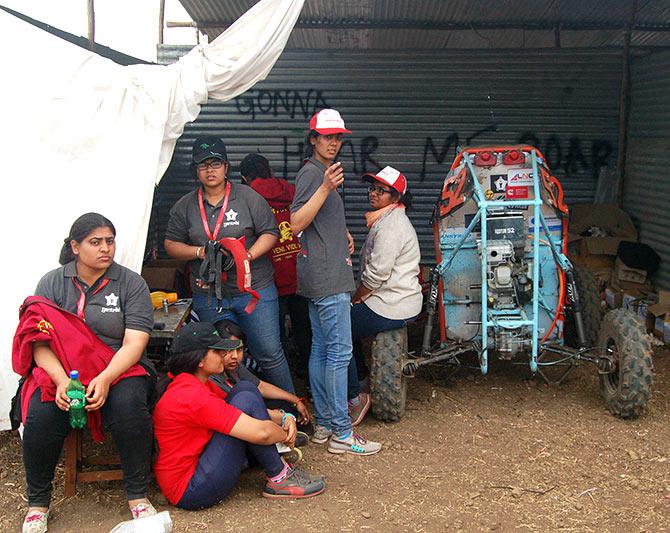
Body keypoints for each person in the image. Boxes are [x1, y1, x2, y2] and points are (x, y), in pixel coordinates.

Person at [15, 213, 156, 533]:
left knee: (128, 405)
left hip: (119, 367)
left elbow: (135, 343)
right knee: (41, 411)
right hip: (62, 371)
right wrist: (62, 381)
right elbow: (39, 342)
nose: (106, 248)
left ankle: (137, 494)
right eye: (96, 242)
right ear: (75, 246)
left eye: (110, 241)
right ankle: (37, 503)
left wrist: (105, 378)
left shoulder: (131, 282)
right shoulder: (52, 282)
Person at [163, 136, 295, 397]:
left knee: (269, 353)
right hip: (210, 295)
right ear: (195, 171)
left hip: (254, 290)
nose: (209, 170)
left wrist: (245, 255)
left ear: (226, 167)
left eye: (215, 163)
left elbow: (271, 232)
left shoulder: (248, 198)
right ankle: (232, 413)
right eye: (203, 165)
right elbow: (170, 244)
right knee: (219, 358)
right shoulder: (186, 205)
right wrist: (199, 252)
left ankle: (292, 407)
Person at [152, 322, 325, 509]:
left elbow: (245, 408)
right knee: (246, 397)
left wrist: (284, 418)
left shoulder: (194, 382)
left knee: (245, 390)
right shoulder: (191, 395)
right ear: (199, 360)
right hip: (190, 490)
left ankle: (278, 472)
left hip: (198, 469)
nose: (225, 356)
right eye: (218, 351)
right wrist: (286, 435)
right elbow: (262, 433)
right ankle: (279, 476)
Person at [290, 108, 381, 456]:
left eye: (338, 136)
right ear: (313, 138)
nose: (334, 142)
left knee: (321, 349)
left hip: (318, 273)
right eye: (327, 136)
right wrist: (326, 187)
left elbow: (315, 217)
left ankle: (326, 424)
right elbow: (296, 222)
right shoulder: (314, 175)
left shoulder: (316, 172)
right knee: (339, 352)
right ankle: (343, 432)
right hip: (328, 277)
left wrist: (337, 230)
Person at [347, 167, 422, 425]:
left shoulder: (391, 225)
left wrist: (357, 296)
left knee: (340, 328)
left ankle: (357, 391)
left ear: (396, 197)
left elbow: (377, 274)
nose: (374, 194)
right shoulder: (386, 219)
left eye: (382, 190)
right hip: (394, 300)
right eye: (372, 188)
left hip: (392, 304)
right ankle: (363, 378)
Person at [239, 153, 312, 381]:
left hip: (270, 278)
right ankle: (309, 379)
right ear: (269, 170)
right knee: (306, 331)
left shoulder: (247, 199)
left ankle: (282, 381)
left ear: (243, 177)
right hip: (300, 272)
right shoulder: (292, 192)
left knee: (274, 337)